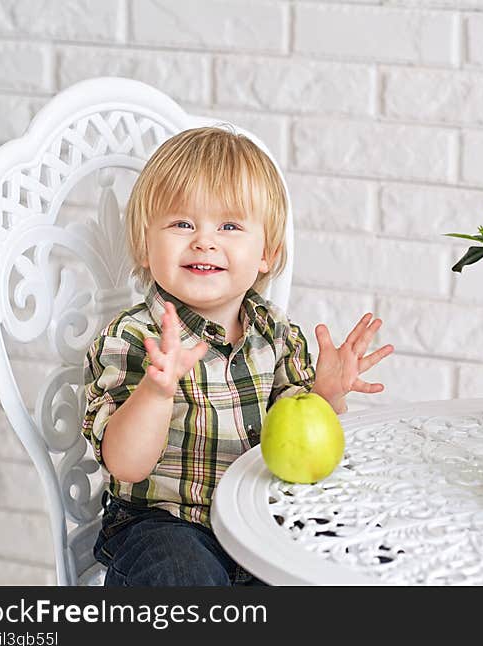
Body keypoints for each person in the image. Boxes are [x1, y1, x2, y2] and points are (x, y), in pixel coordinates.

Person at [81, 126, 393, 586]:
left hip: (263, 520)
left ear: (266, 253)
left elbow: (298, 450)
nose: (204, 241)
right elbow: (126, 464)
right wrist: (155, 390)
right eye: (182, 224)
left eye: (229, 226)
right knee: (180, 577)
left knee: (361, 549)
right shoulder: (134, 337)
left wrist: (324, 395)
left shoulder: (276, 332)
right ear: (147, 245)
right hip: (165, 523)